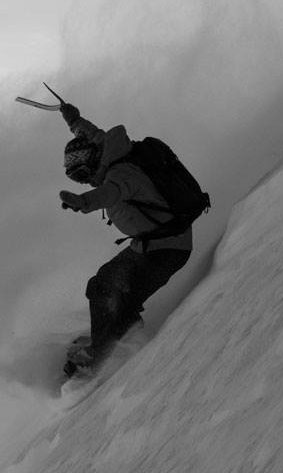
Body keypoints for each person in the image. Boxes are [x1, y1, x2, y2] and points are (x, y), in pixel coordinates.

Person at [57, 101, 193, 373]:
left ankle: (101, 355)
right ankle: (118, 331)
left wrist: (83, 202)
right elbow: (95, 137)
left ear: (92, 161)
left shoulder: (120, 174)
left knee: (113, 290)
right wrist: (74, 122)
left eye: (82, 173)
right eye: (75, 178)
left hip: (166, 250)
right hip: (154, 244)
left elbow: (110, 193)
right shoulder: (111, 152)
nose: (84, 180)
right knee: (102, 284)